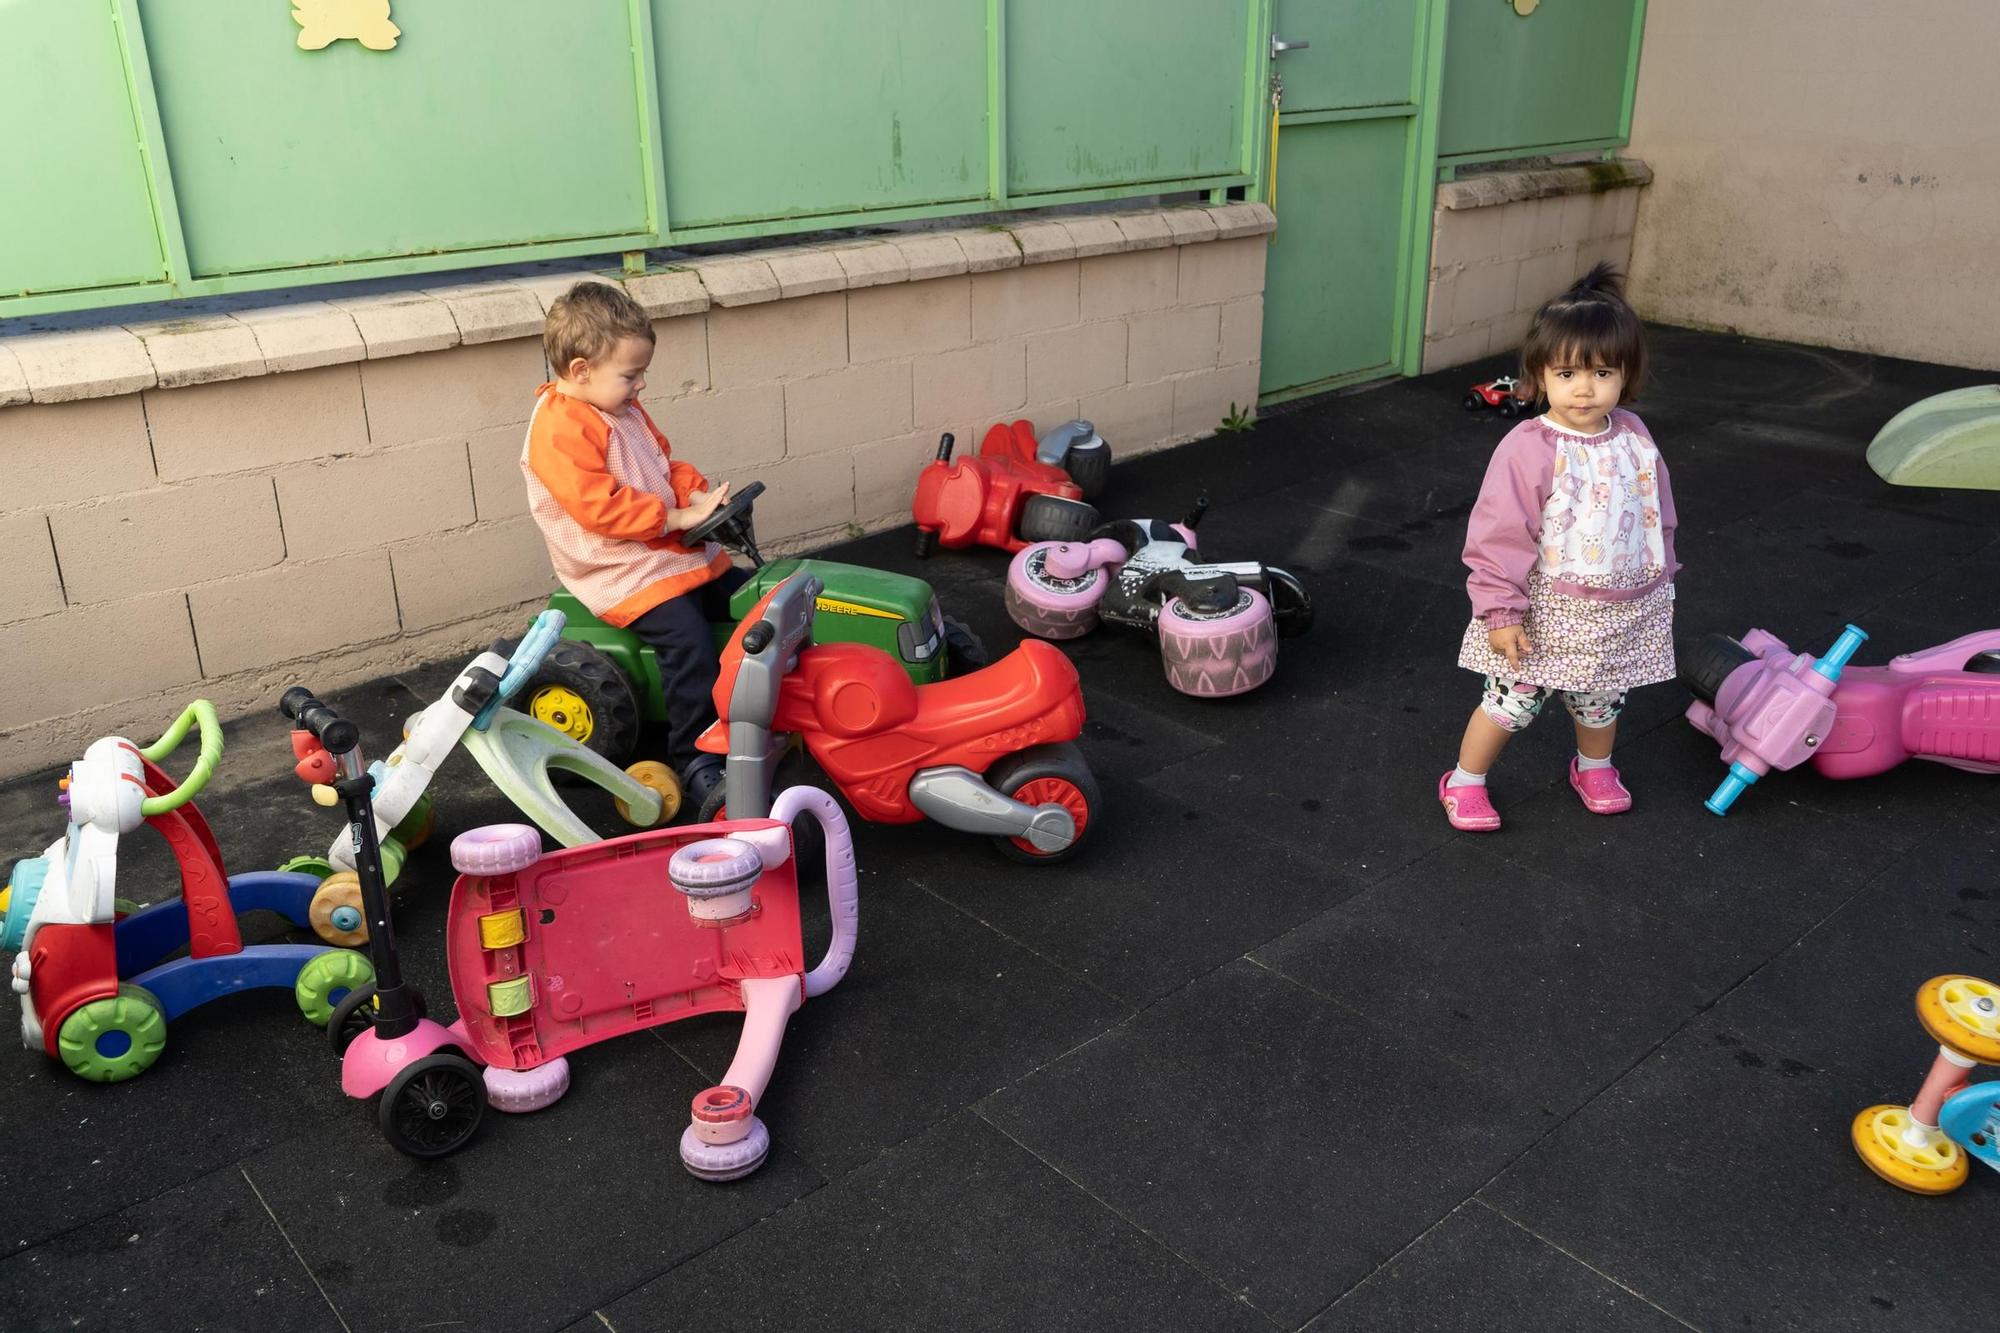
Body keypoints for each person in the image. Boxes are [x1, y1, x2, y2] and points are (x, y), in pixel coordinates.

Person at [1438, 263, 1679, 831]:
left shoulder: (1634, 435)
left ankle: (1594, 766)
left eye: (1602, 372)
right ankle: (1465, 780)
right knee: (1513, 700)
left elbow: (1654, 509)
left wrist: (1663, 569)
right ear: (1539, 376)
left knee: (1601, 699)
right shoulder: (1529, 447)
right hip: (1544, 609)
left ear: (1627, 375)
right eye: (1567, 372)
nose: (1585, 388)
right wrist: (1499, 609)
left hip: (1618, 606)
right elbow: (1499, 533)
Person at [521, 281, 746, 808]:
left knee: (750, 599)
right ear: (581, 370)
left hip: (661, 545)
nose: (641, 384)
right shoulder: (559, 428)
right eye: (631, 374)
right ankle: (695, 757)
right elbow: (599, 507)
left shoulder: (621, 408)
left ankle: (757, 707)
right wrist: (674, 515)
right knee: (687, 639)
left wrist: (696, 495)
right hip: (618, 565)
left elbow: (665, 465)